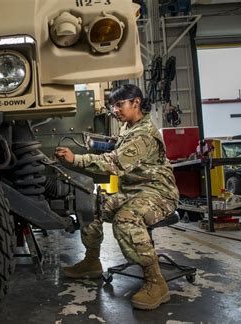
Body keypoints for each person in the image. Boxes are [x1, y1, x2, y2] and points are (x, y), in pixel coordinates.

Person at [55, 84, 179, 310]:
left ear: (136, 103)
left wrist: (76, 160)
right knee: (91, 206)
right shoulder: (129, 127)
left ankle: (156, 283)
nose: (115, 110)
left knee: (126, 220)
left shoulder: (144, 134)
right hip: (133, 191)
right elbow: (116, 147)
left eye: (120, 104)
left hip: (158, 193)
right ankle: (92, 262)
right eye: (113, 105)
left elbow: (115, 163)